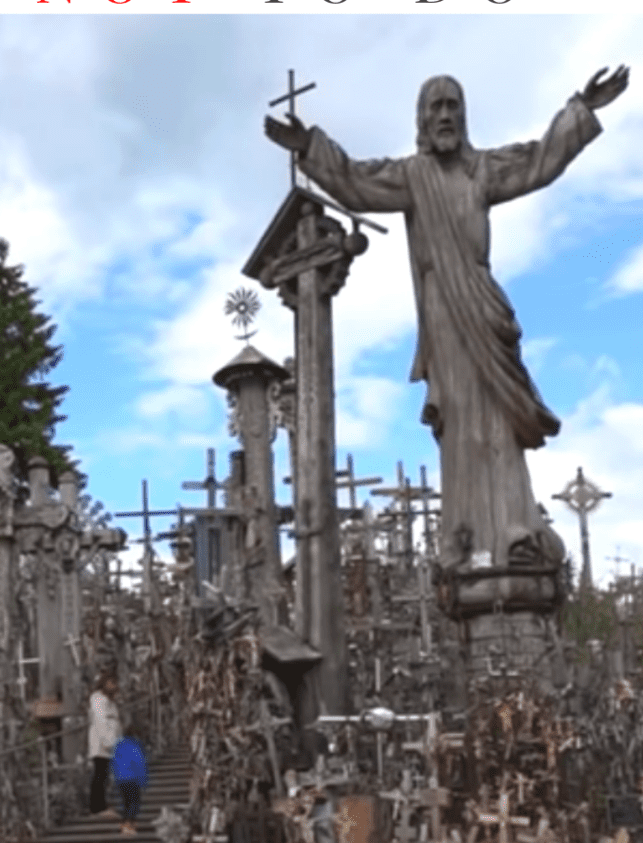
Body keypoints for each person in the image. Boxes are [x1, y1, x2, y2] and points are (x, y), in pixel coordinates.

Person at [265, 65, 629, 571]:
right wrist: (309, 147)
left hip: (482, 308)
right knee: (461, 426)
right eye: (434, 107)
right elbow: (356, 182)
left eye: (452, 106)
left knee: (499, 426)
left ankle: (514, 531)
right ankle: (466, 537)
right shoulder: (411, 177)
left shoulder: (484, 169)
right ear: (420, 120)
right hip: (444, 320)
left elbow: (539, 161)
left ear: (464, 116)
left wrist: (580, 111)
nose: (444, 116)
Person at [87, 673, 121, 818]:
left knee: (103, 774)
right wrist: (108, 741)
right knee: (100, 774)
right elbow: (101, 721)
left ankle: (101, 805)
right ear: (104, 684)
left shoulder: (108, 701)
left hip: (107, 743)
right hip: (102, 744)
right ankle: (97, 807)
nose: (114, 686)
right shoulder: (99, 701)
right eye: (111, 683)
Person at [111, 726, 149, 836]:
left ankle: (124, 823)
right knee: (135, 802)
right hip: (132, 778)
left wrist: (115, 777)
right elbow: (139, 763)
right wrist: (143, 780)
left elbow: (114, 762)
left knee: (126, 802)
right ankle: (128, 824)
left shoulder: (118, 745)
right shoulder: (134, 745)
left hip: (121, 779)